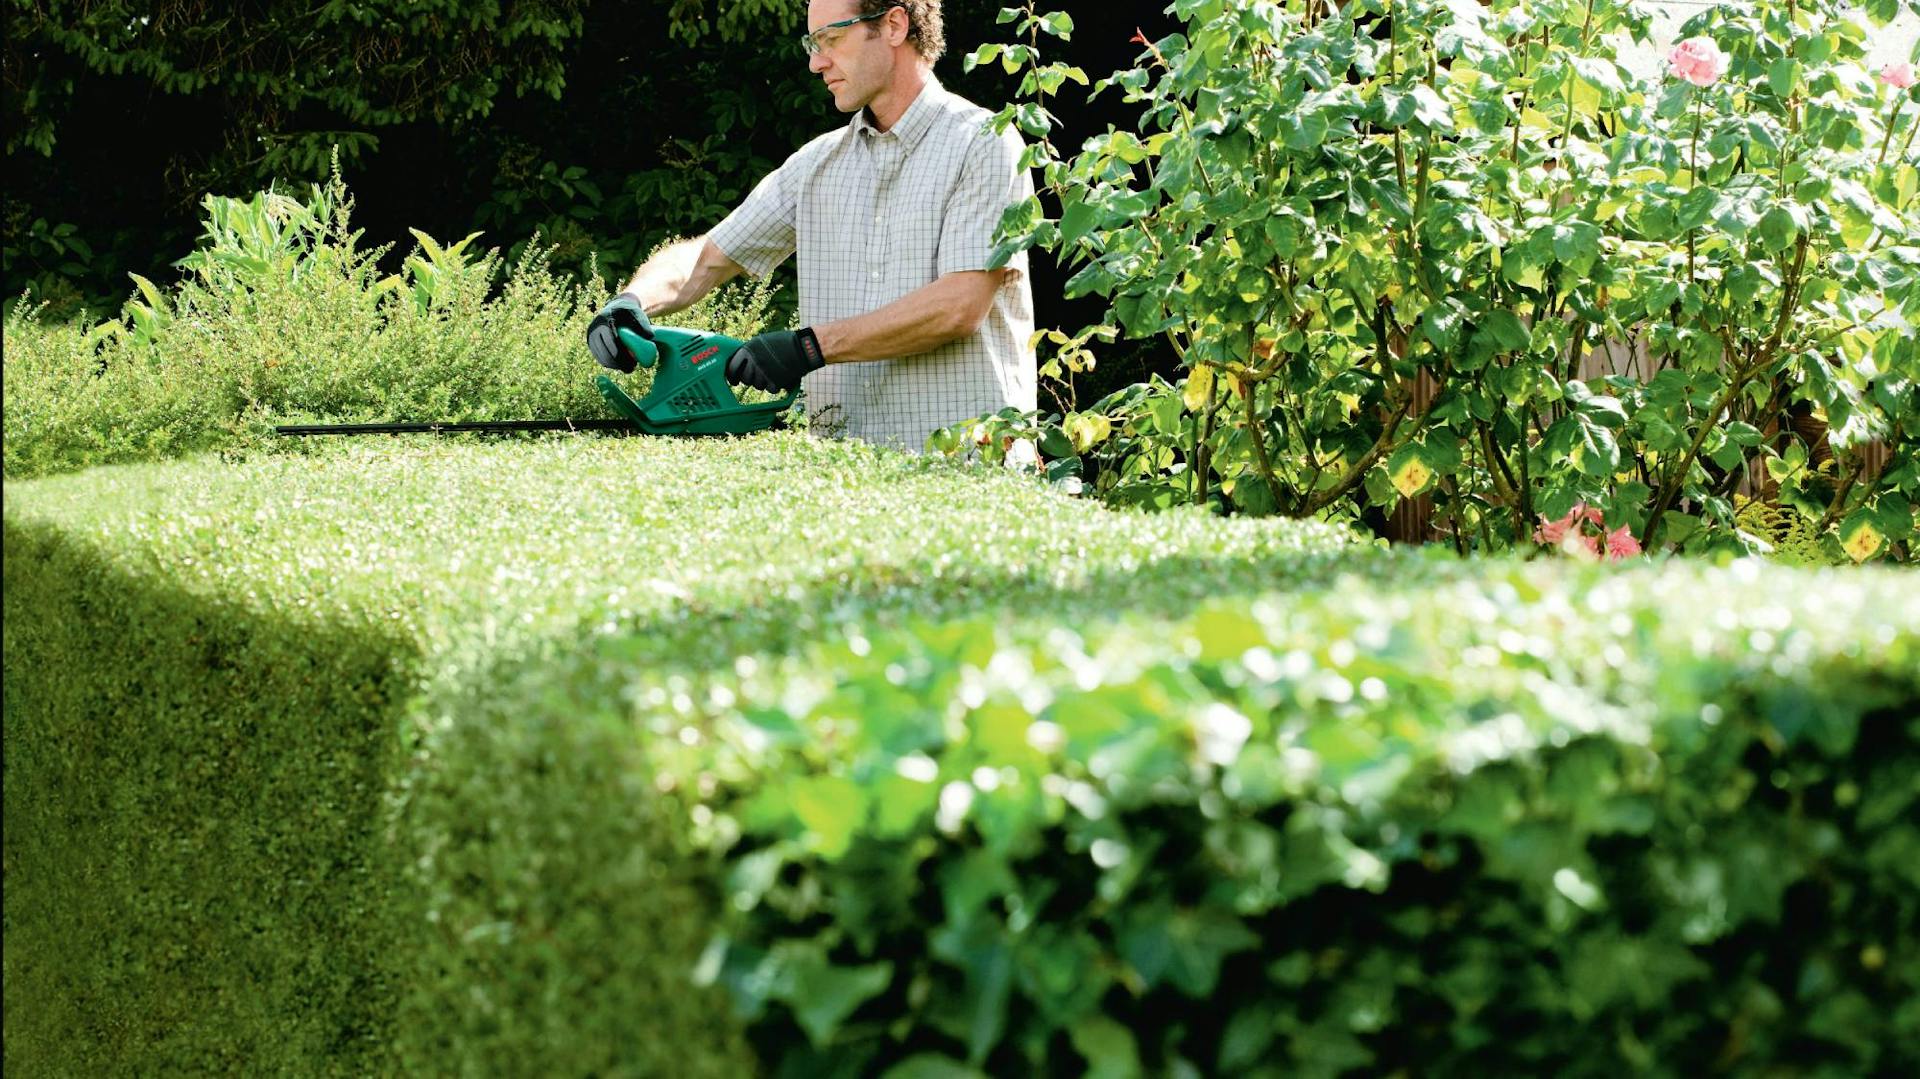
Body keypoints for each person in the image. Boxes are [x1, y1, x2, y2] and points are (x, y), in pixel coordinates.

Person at [585, 0, 1036, 452]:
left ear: (894, 25)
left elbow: (958, 306)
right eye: (812, 43)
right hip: (844, 477)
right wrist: (632, 301)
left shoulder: (984, 143)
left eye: (830, 40)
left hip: (970, 471)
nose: (816, 62)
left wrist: (808, 348)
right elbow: (707, 258)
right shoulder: (817, 166)